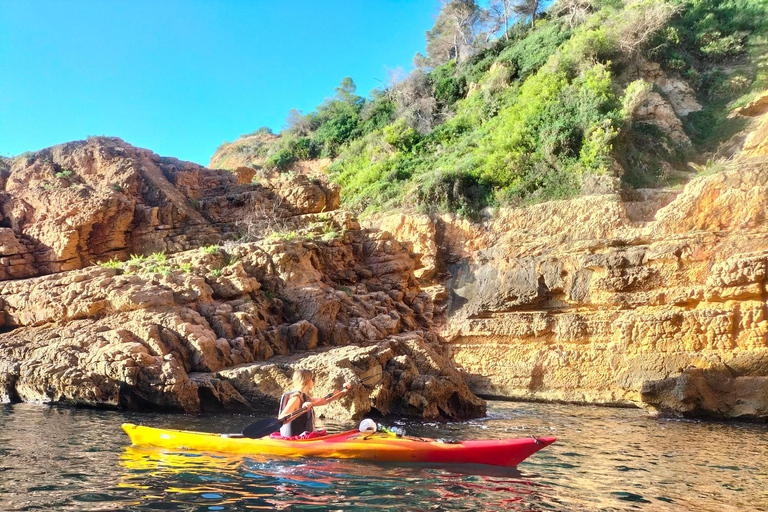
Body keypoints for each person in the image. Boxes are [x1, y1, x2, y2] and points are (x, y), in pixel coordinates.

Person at [278, 369, 352, 437]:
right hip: (295, 440)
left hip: (304, 437)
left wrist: (343, 391)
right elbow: (281, 418)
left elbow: (325, 400)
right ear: (305, 381)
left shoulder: (305, 398)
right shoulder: (296, 398)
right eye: (312, 379)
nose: (313, 382)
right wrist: (302, 411)